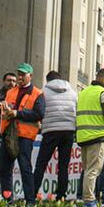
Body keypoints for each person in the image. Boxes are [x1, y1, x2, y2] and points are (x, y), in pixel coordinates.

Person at [0, 64, 43, 200]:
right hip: (8, 134)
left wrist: (17, 113)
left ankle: (30, 200)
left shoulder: (38, 94)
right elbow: (7, 108)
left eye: (23, 74)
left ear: (30, 76)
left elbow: (39, 114)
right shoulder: (11, 92)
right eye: (19, 74)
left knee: (25, 168)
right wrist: (1, 108)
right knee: (4, 168)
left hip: (25, 136)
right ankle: (7, 199)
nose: (20, 77)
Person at [75, 65, 104, 206]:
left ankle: (81, 197)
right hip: (97, 135)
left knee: (87, 169)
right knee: (94, 170)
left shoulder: (84, 92)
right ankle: (89, 200)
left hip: (83, 136)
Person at [34, 69, 78, 199]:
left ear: (48, 81)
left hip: (50, 131)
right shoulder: (72, 92)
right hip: (68, 130)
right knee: (64, 165)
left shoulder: (43, 92)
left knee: (41, 163)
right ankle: (61, 195)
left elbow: (39, 110)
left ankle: (33, 192)